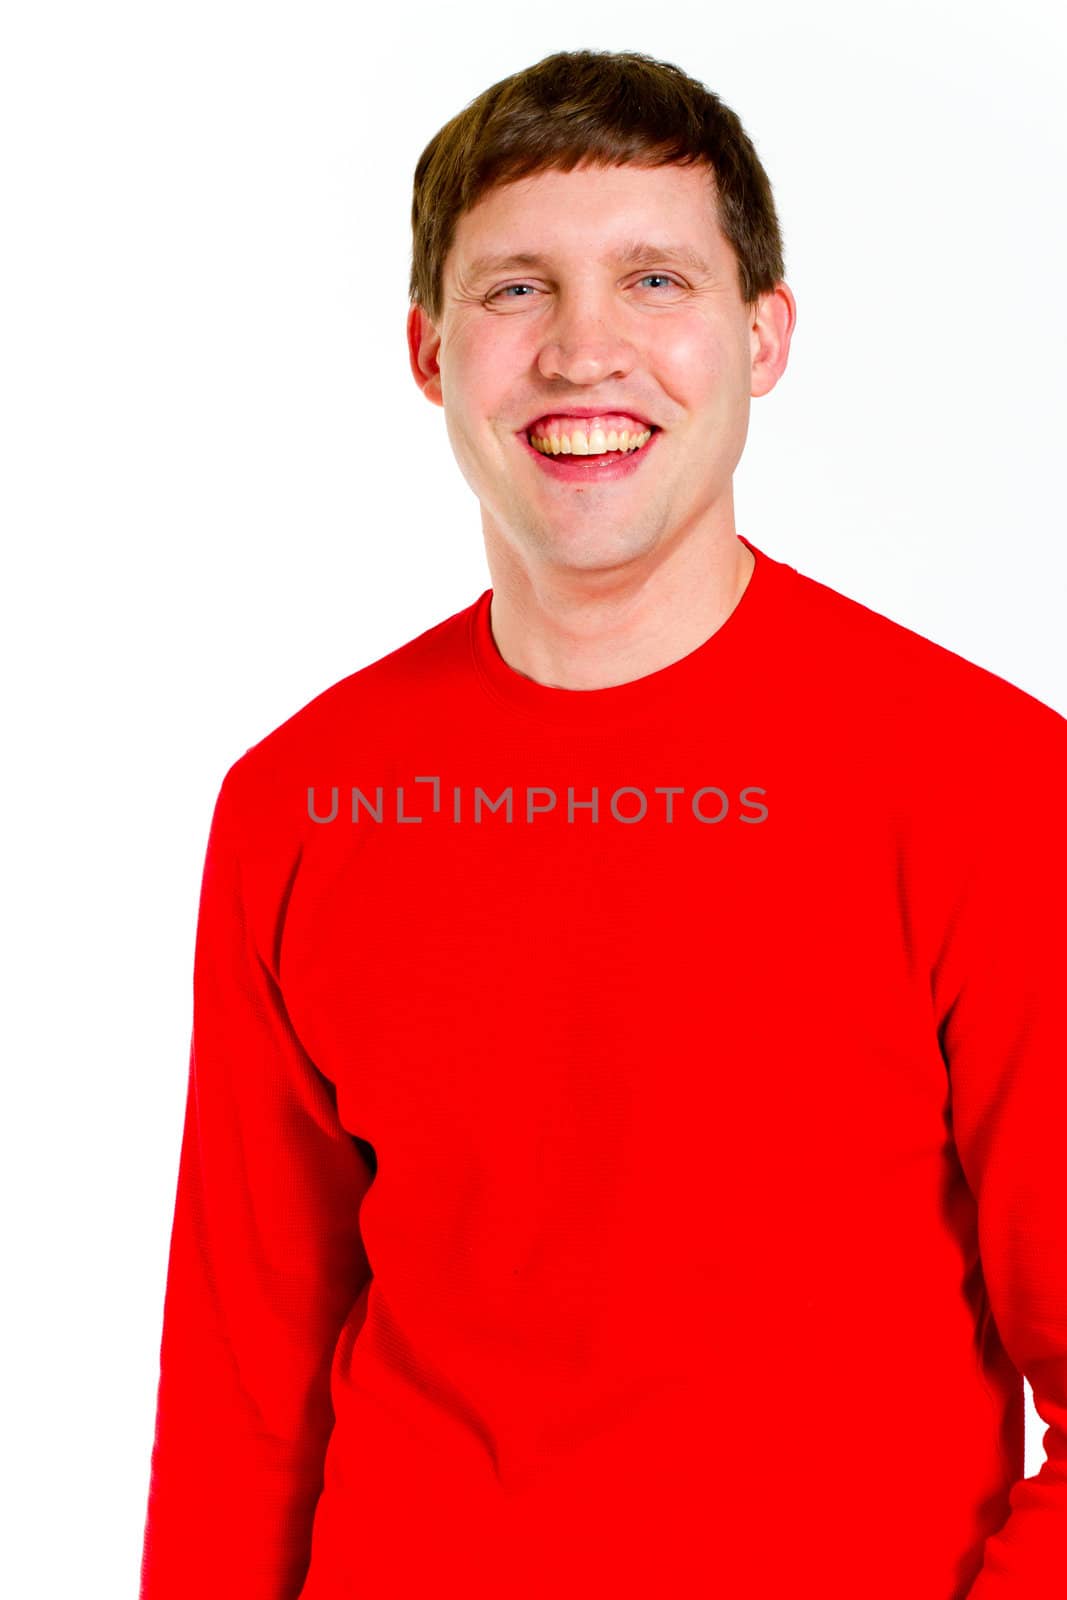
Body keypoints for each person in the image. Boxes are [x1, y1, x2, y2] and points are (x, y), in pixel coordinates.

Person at [138, 47, 1067, 1600]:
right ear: (431, 354)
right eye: (515, 291)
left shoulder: (992, 784)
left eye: (653, 279)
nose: (584, 352)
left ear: (762, 336)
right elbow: (242, 1400)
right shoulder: (300, 805)